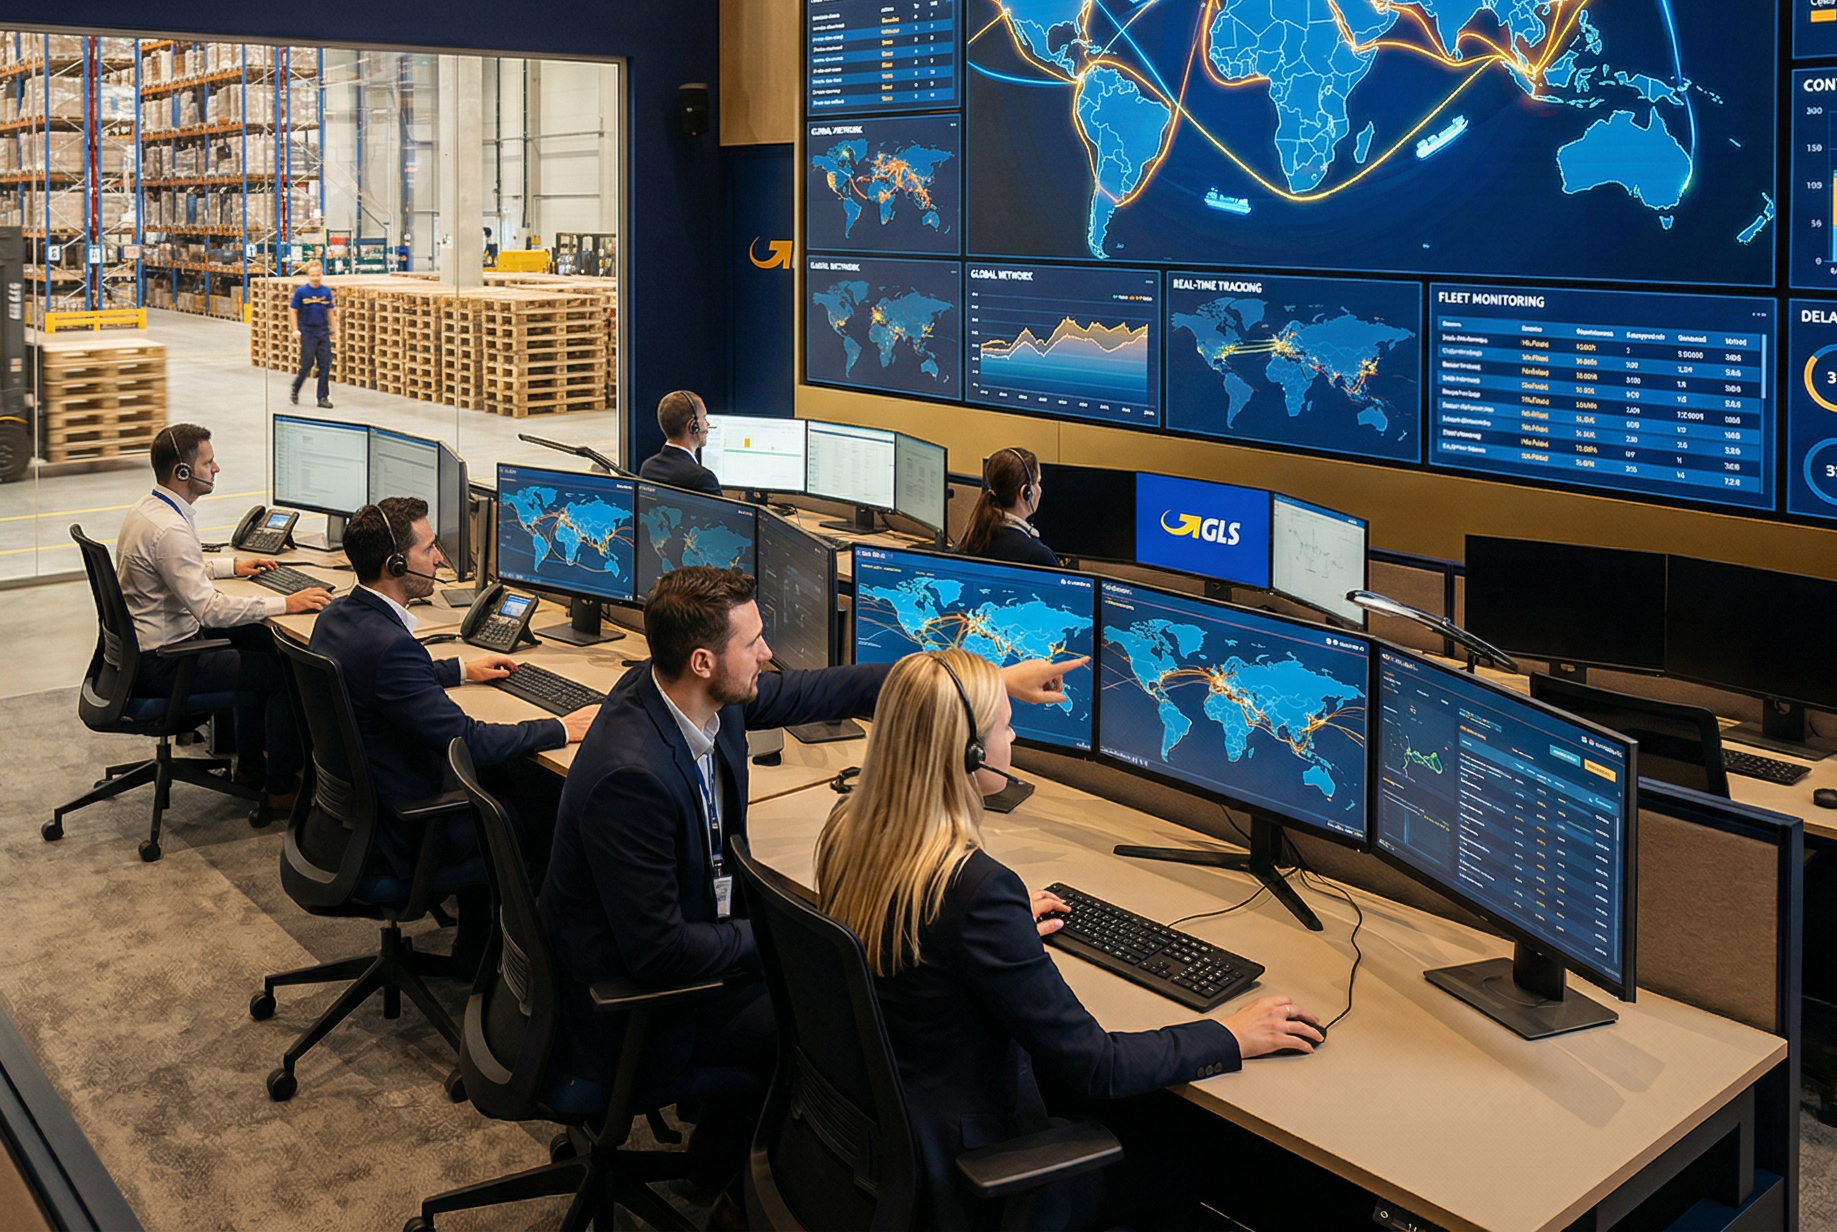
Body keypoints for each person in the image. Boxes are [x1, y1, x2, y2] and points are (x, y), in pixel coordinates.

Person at [538, 566, 1087, 1203]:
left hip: (689, 948)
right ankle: (768, 1187)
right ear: (704, 660)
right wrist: (829, 932)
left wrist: (976, 685)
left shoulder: (682, 692)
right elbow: (659, 954)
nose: (768, 654)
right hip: (631, 1007)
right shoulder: (631, 776)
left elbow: (822, 691)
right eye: (753, 644)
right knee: (851, 1021)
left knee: (854, 985)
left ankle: (722, 1163)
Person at [817, 649, 1326, 1231]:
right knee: (1199, 1162)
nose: (1013, 737)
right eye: (1005, 725)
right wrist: (1230, 1034)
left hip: (886, 1137)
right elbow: (1097, 1066)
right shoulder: (973, 890)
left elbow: (924, 933)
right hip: (970, 1162)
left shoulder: (849, 829)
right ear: (970, 754)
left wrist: (993, 933)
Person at [310, 496, 599, 960]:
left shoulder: (338, 617)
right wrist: (562, 728)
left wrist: (460, 669)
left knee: (504, 779)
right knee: (550, 805)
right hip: (404, 828)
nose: (440, 559)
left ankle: (475, 936)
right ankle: (521, 969)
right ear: (397, 563)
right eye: (429, 550)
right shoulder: (390, 648)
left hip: (353, 816)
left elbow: (388, 681)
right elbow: (471, 740)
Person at [114, 423, 332, 813]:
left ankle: (249, 770)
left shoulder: (150, 510)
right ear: (182, 472)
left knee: (257, 642)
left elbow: (180, 568)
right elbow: (209, 609)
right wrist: (288, 604)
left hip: (144, 651)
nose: (215, 469)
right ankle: (281, 789)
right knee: (284, 674)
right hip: (165, 662)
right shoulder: (170, 530)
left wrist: (234, 565)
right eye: (208, 462)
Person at [955, 446, 1058, 567]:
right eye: (1037, 483)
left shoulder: (969, 538)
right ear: (1026, 492)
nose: (1040, 490)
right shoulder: (1038, 556)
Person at [639, 390, 721, 493]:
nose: (707, 424)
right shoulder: (702, 479)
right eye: (704, 418)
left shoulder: (648, 468)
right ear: (692, 426)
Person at [290, 259, 335, 409]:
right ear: (308, 276)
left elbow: (330, 312)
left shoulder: (326, 292)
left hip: (322, 332)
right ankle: (295, 388)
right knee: (307, 365)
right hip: (308, 333)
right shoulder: (301, 292)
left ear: (321, 275)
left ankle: (322, 397)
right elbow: (293, 310)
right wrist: (295, 329)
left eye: (318, 275)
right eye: (312, 275)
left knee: (325, 365)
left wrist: (335, 329)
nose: (315, 278)